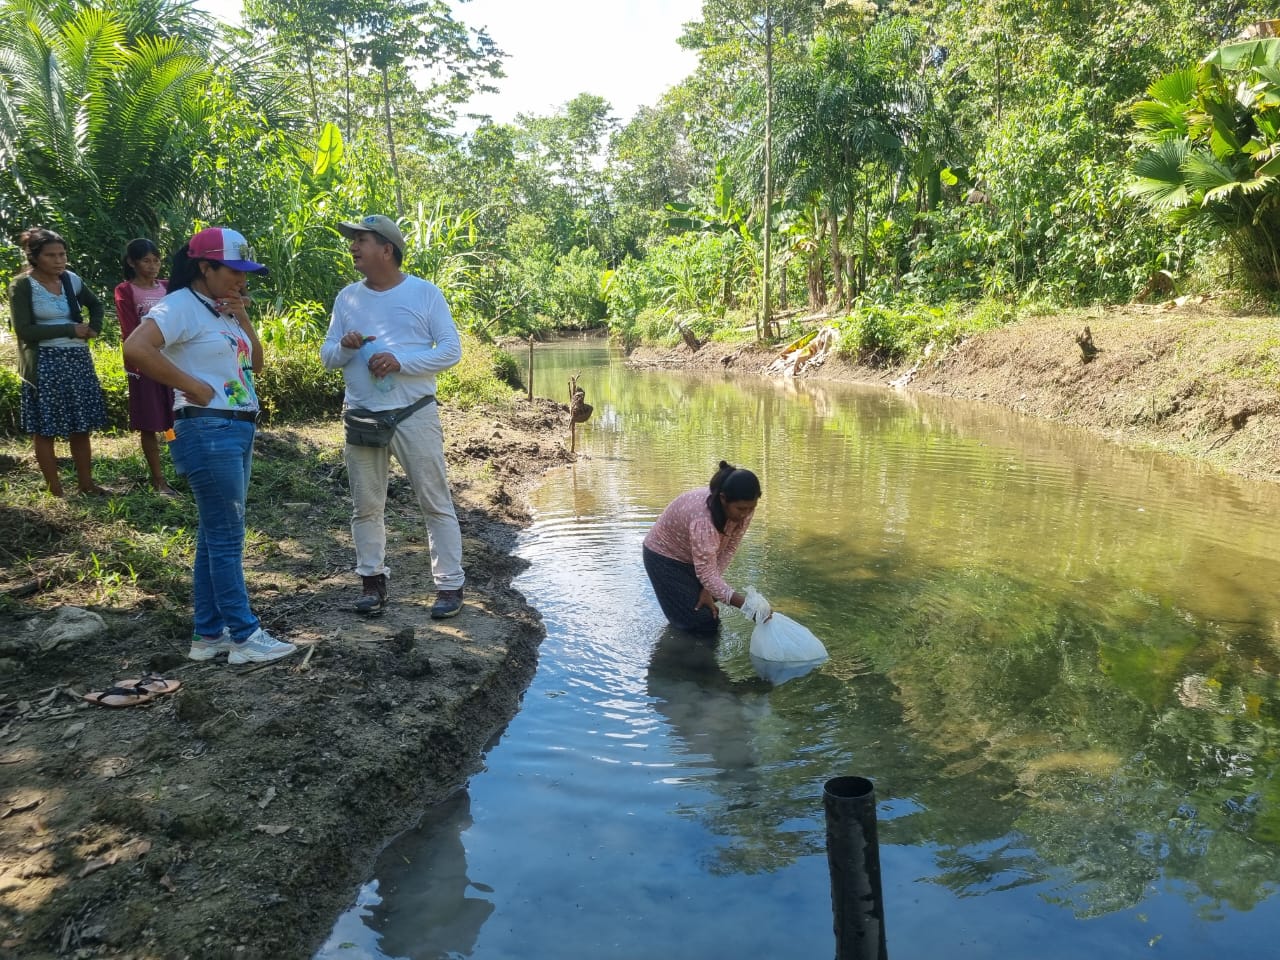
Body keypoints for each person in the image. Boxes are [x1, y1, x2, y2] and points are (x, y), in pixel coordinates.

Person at [123, 226, 296, 665]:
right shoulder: (179, 305)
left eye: (245, 272)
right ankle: (244, 635)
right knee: (227, 535)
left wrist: (242, 316)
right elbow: (135, 349)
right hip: (206, 429)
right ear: (205, 267)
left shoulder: (219, 310)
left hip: (235, 428)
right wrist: (192, 387)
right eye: (233, 271)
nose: (242, 279)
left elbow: (254, 363)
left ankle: (209, 634)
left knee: (214, 533)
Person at [321, 214, 466, 619]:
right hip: (363, 414)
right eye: (352, 240)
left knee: (435, 502)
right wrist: (347, 347)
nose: (353, 246)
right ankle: (372, 583)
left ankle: (450, 586)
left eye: (361, 240)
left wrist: (400, 361)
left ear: (387, 249)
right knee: (365, 506)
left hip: (414, 412)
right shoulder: (346, 298)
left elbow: (451, 351)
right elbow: (328, 357)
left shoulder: (424, 294)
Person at [8, 227, 112, 497]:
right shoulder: (22, 285)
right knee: (46, 428)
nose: (59, 260)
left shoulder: (70, 280)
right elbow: (24, 331)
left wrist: (94, 328)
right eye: (51, 255)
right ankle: (56, 490)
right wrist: (70, 329)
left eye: (62, 254)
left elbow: (96, 305)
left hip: (77, 358)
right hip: (44, 362)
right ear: (35, 257)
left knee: (81, 425)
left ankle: (86, 484)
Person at [642, 461, 772, 634]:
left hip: (697, 557)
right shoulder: (703, 521)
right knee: (699, 622)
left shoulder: (744, 509)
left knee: (709, 616)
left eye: (751, 508)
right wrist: (749, 607)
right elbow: (707, 574)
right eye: (741, 509)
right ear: (723, 499)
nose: (745, 514)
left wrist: (707, 589)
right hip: (665, 558)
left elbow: (729, 548)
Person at [114, 238, 177, 496]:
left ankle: (181, 467)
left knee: (174, 420)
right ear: (132, 262)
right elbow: (129, 329)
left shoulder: (167, 287)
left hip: (172, 361)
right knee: (149, 422)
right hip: (143, 366)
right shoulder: (125, 291)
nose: (153, 266)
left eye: (156, 260)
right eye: (146, 261)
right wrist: (141, 357)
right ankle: (158, 478)